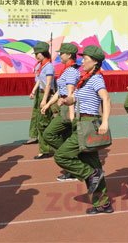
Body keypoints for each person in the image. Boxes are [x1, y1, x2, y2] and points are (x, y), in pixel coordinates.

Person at [53, 45, 113, 214]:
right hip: (81, 123)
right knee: (94, 165)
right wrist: (66, 100)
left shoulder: (96, 79)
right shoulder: (85, 79)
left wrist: (105, 122)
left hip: (88, 123)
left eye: (85, 59)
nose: (82, 61)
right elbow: (75, 98)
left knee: (62, 155)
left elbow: (106, 99)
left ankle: (88, 174)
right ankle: (103, 203)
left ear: (95, 62)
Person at [41, 43, 80, 181]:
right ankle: (72, 167)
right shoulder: (67, 70)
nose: (59, 55)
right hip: (64, 106)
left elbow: (70, 92)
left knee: (49, 134)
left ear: (69, 55)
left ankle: (70, 157)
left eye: (62, 53)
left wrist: (71, 114)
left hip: (68, 108)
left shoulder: (71, 71)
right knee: (66, 137)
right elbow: (60, 91)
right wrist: (48, 103)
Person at [28, 42, 55, 159]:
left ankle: (46, 149)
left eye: (38, 54)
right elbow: (39, 80)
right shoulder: (42, 65)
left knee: (43, 122)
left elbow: (48, 84)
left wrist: (44, 100)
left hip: (46, 94)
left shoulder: (48, 66)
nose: (36, 56)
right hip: (41, 93)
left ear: (43, 53)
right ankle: (45, 148)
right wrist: (33, 91)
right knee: (40, 121)